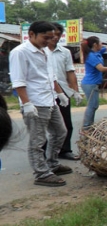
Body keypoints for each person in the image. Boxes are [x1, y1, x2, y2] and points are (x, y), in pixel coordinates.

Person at [9, 21, 72, 186]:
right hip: (35, 102)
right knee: (38, 141)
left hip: (50, 100)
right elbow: (18, 81)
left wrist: (60, 93)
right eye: (46, 37)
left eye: (52, 37)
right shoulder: (20, 53)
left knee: (60, 132)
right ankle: (42, 174)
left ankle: (52, 163)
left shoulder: (46, 51)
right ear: (31, 34)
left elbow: (51, 76)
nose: (50, 40)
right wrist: (27, 103)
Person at [44, 23, 83, 160]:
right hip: (45, 91)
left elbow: (70, 72)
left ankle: (65, 150)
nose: (55, 37)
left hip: (62, 91)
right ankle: (44, 150)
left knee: (66, 122)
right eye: (53, 34)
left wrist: (75, 91)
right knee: (43, 123)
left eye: (58, 35)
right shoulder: (40, 50)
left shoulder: (65, 52)